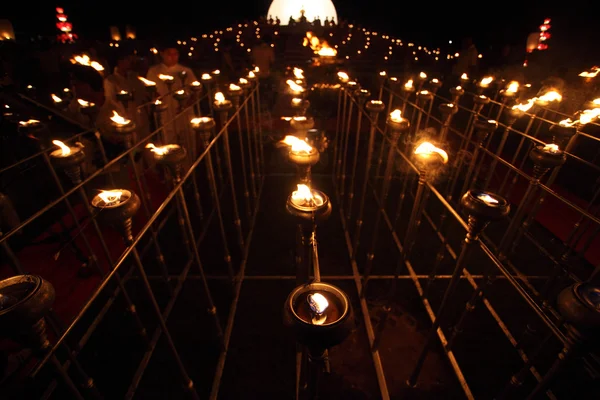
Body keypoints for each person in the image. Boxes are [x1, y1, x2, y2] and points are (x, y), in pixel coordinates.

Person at [146, 43, 197, 145]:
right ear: (162, 54)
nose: (173, 57)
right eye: (169, 54)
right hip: (166, 112)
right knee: (169, 140)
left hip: (184, 111)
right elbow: (150, 92)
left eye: (175, 54)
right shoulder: (154, 71)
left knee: (188, 139)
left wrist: (187, 104)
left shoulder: (185, 71)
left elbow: (195, 91)